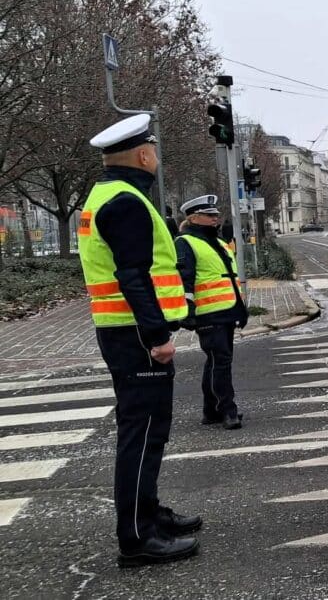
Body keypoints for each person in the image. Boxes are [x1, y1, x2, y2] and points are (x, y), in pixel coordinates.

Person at [78, 114, 200, 568]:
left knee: (150, 430)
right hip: (135, 335)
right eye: (154, 152)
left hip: (123, 332)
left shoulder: (105, 195)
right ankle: (136, 536)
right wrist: (157, 336)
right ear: (145, 154)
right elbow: (133, 276)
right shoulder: (127, 202)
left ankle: (149, 515)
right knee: (142, 434)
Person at [175, 195, 248, 430]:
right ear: (194, 217)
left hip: (225, 311)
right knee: (221, 362)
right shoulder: (186, 242)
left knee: (215, 361)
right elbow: (184, 279)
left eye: (216, 214)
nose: (216, 218)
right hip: (208, 314)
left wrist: (240, 309)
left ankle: (211, 410)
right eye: (210, 215)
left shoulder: (218, 242)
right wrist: (188, 312)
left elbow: (229, 278)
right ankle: (228, 411)